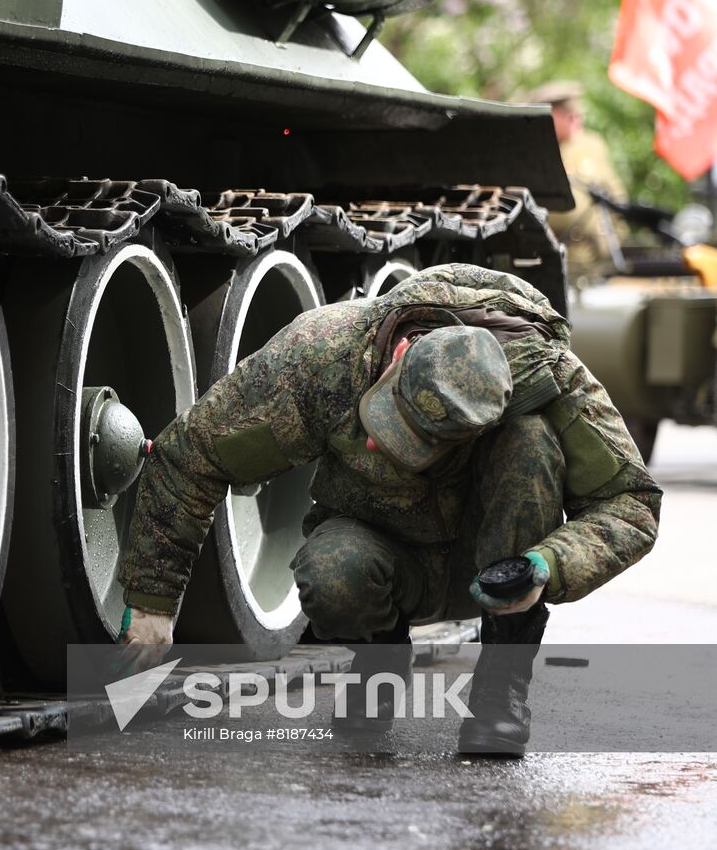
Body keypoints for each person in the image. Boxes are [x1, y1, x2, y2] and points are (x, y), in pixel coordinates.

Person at [115, 263, 661, 755]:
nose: (380, 445)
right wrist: (153, 606)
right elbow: (190, 455)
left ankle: (500, 692)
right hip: (383, 550)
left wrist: (549, 565)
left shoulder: (550, 381)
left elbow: (632, 504)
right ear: (400, 354)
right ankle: (379, 664)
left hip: (496, 564)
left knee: (530, 444)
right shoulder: (324, 356)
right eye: (387, 424)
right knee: (330, 574)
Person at [529, 81, 632, 281]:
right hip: (549, 261)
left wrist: (610, 242)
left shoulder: (591, 146)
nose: (574, 117)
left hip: (592, 263)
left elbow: (617, 200)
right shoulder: (536, 151)